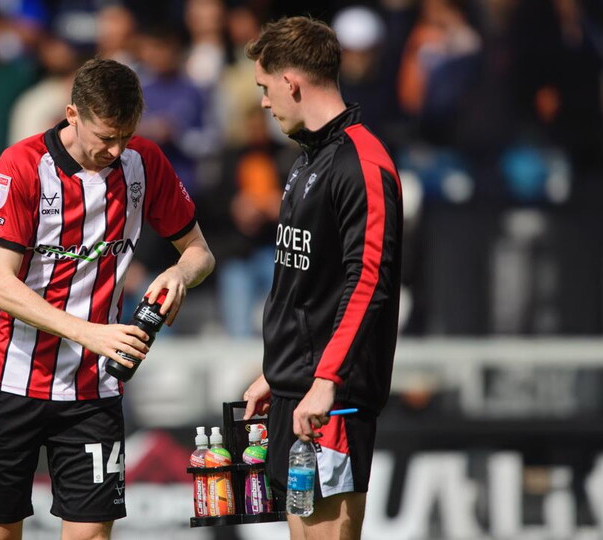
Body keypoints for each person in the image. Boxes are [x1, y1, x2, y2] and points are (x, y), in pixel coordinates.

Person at [0, 58, 215, 540]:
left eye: (126, 134)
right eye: (106, 137)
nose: (116, 149)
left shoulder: (143, 161)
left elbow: (200, 251)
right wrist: (87, 332)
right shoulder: (21, 166)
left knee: (91, 535)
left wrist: (181, 273)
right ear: (72, 115)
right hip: (11, 380)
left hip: (93, 391)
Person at [239, 16, 403, 540]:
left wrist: (326, 379)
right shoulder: (311, 158)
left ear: (292, 82)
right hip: (298, 390)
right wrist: (279, 371)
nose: (264, 103)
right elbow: (304, 279)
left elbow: (368, 280)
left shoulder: (362, 162)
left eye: (266, 88)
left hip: (334, 397)